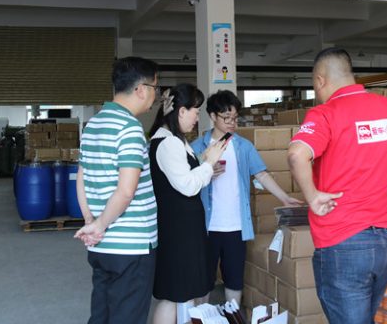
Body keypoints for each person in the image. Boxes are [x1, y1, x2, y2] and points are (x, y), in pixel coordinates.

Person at [287, 47, 387, 324]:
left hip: (344, 242)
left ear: (319, 80)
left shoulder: (324, 114)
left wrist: (313, 197)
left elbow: (295, 154)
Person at [191, 90, 303, 305]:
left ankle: (232, 318)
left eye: (234, 118)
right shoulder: (197, 148)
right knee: (202, 283)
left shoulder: (243, 146)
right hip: (205, 227)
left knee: (234, 281)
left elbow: (261, 173)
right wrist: (203, 172)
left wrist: (284, 198)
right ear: (213, 116)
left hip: (236, 226)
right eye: (226, 118)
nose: (232, 123)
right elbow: (187, 184)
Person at [74, 56, 160, 324]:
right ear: (141, 89)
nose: (155, 95)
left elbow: (81, 177)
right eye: (155, 88)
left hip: (101, 245)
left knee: (102, 313)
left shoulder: (93, 125)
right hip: (131, 245)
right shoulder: (130, 128)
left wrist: (90, 220)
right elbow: (126, 190)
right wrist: (99, 224)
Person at [148, 83, 228, 324]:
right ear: (181, 111)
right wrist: (207, 163)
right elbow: (187, 185)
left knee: (180, 293)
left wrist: (204, 164)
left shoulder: (172, 139)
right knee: (176, 293)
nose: (196, 117)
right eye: (195, 110)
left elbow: (183, 177)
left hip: (181, 227)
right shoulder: (169, 142)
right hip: (179, 230)